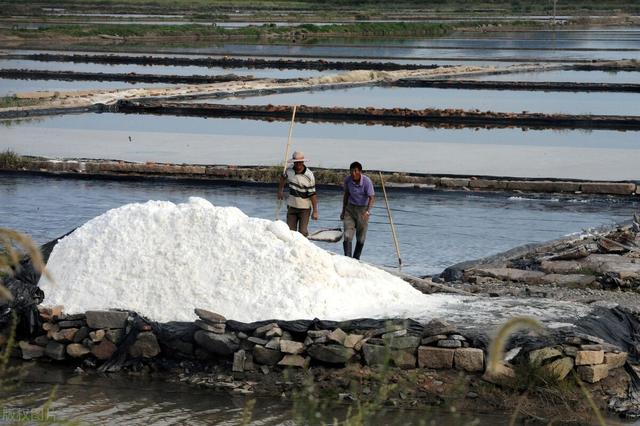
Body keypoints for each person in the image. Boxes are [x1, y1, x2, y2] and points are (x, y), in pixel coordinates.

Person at [277, 151, 318, 236]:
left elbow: (313, 195)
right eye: (296, 162)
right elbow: (283, 179)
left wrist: (315, 211)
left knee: (302, 232)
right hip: (291, 206)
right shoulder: (289, 170)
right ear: (293, 162)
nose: (298, 164)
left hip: (304, 208)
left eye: (300, 162)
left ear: (303, 162)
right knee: (290, 232)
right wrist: (280, 190)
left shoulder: (309, 175)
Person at [341, 161, 374, 259]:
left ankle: (356, 258)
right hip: (350, 209)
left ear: (360, 172)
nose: (353, 173)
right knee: (347, 235)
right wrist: (343, 210)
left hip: (362, 210)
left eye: (355, 171)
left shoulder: (366, 181)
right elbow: (346, 194)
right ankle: (348, 259)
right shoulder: (348, 180)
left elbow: (371, 197)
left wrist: (367, 212)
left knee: (360, 237)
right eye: (351, 171)